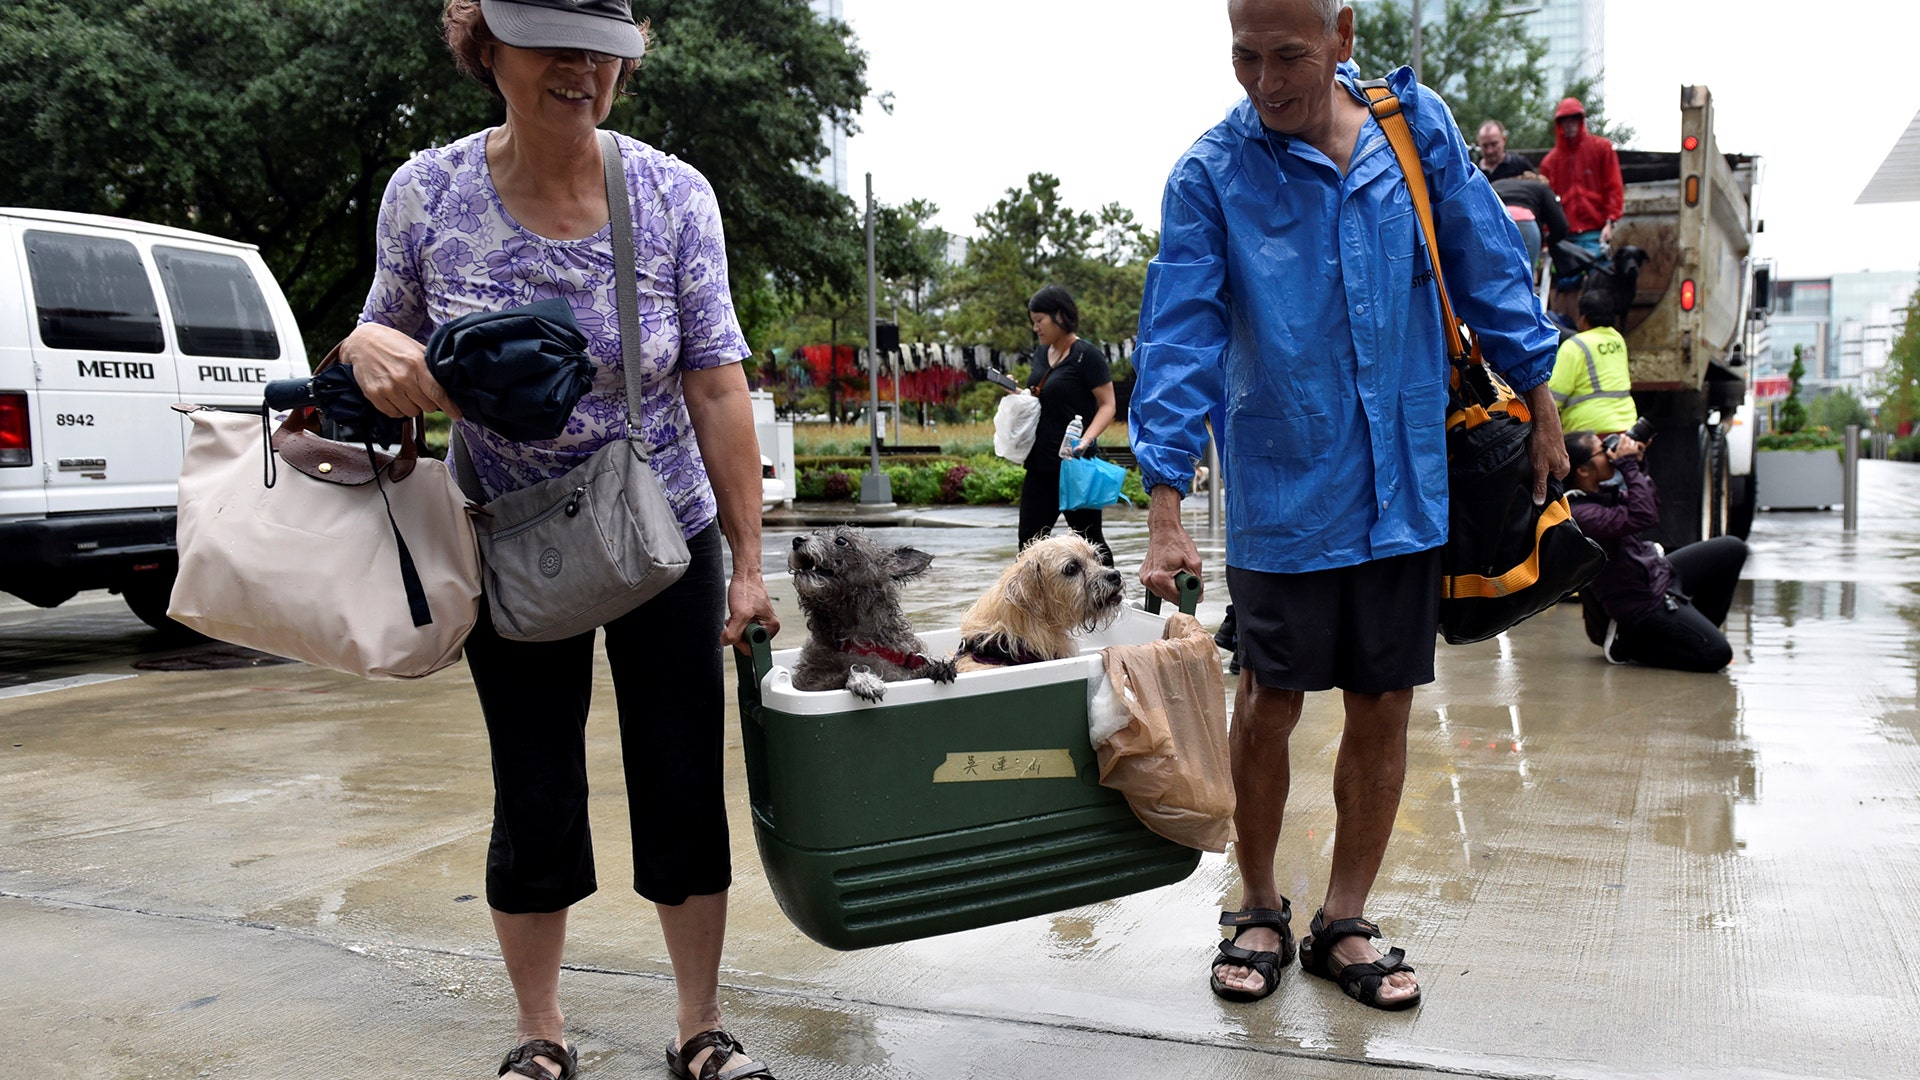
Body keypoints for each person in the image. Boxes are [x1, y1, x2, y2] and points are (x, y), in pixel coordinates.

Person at [340, 3, 780, 1078]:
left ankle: (699, 1029)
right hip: (502, 535)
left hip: (660, 536)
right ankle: (540, 1034)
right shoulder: (427, 193)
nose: (581, 69)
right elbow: (376, 343)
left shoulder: (673, 195)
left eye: (602, 49)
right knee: (533, 786)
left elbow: (717, 384)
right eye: (551, 41)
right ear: (485, 43)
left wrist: (752, 561)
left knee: (680, 779)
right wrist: (363, 348)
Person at [1131, 0, 1565, 1011]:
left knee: (1385, 702)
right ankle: (1257, 904)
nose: (1267, 81)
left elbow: (1486, 265)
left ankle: (1347, 918)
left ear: (1344, 36)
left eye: (1289, 54)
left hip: (1405, 482)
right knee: (1269, 702)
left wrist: (1540, 398)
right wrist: (1163, 502)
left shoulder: (1414, 133)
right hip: (1286, 485)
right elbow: (1180, 334)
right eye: (1244, 56)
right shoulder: (1211, 175)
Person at [1565, 431, 1748, 671]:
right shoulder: (1581, 514)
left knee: (1732, 548)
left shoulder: (1598, 494)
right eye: (1602, 451)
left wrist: (1637, 464)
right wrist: (1628, 465)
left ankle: (1692, 631)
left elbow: (1648, 502)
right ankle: (1630, 644)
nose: (1610, 454)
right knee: (1717, 655)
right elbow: (1643, 516)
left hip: (1657, 575)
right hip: (1641, 603)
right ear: (1583, 470)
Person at [1018, 285, 1117, 565]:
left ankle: (1109, 599)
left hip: (1076, 464)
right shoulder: (1040, 354)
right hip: (1040, 463)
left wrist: (1086, 439)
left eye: (1040, 320)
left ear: (1060, 315)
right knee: (1029, 541)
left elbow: (1108, 404)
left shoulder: (1087, 356)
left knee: (1090, 541)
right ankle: (1036, 607)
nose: (1036, 327)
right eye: (1033, 322)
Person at [1538, 97, 1623, 264]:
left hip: (1596, 232)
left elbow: (1613, 187)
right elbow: (1547, 204)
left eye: (1574, 119)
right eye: (1564, 120)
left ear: (1581, 120)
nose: (1569, 125)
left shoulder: (1602, 149)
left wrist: (1610, 223)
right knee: (1566, 286)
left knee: (1600, 281)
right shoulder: (1550, 162)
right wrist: (1547, 240)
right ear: (1559, 124)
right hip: (1565, 238)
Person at [1550, 284, 1639, 435]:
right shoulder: (1617, 340)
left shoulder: (1574, 346)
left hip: (1589, 431)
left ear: (1583, 317)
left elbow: (1555, 395)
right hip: (1627, 426)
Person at [1491, 172, 1568, 279]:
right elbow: (1560, 226)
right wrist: (1548, 241)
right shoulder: (1541, 187)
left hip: (1494, 224)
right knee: (1524, 277)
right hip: (1524, 224)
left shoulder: (1496, 184)